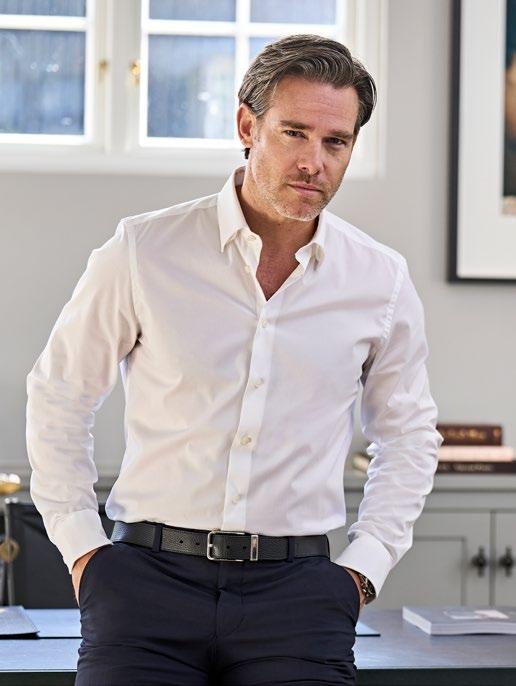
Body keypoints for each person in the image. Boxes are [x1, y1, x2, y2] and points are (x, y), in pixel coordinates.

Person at [26, 33, 443, 686]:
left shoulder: (379, 279)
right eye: (294, 133)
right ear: (248, 126)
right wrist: (84, 551)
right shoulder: (144, 250)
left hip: (299, 598)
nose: (314, 161)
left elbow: (409, 433)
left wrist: (364, 568)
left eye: (335, 142)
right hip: (144, 587)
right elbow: (60, 395)